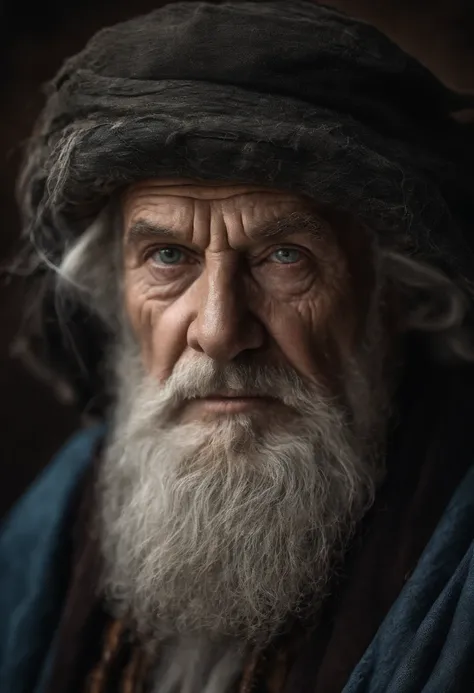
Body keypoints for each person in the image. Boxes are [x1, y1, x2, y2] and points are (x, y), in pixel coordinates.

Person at [2, 1, 474, 691]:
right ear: (117, 291)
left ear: (397, 292)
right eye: (168, 255)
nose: (220, 330)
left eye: (285, 255)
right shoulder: (64, 511)